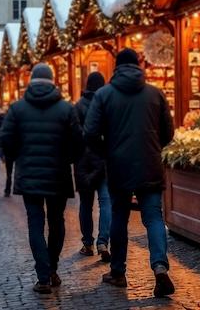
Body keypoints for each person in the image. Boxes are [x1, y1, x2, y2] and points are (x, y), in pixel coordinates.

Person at [84, 48, 176, 298]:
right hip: (150, 164)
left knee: (119, 217)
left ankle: (118, 272)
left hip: (119, 166)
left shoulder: (104, 95)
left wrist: (107, 151)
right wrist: (153, 147)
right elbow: (168, 132)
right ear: (138, 66)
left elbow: (90, 133)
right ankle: (159, 267)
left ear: (116, 67)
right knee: (154, 217)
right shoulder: (155, 94)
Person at [0, 63, 83, 295]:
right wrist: (66, 159)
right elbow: (78, 142)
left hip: (29, 175)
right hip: (58, 175)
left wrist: (19, 157)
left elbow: (6, 139)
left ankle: (43, 276)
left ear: (31, 82)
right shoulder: (66, 109)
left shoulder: (17, 108)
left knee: (35, 223)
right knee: (57, 222)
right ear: (53, 82)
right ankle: (52, 268)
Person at [74, 71, 111, 261]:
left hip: (84, 163)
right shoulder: (106, 104)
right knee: (106, 202)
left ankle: (87, 243)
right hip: (103, 160)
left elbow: (74, 136)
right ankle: (103, 241)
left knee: (86, 204)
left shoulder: (78, 106)